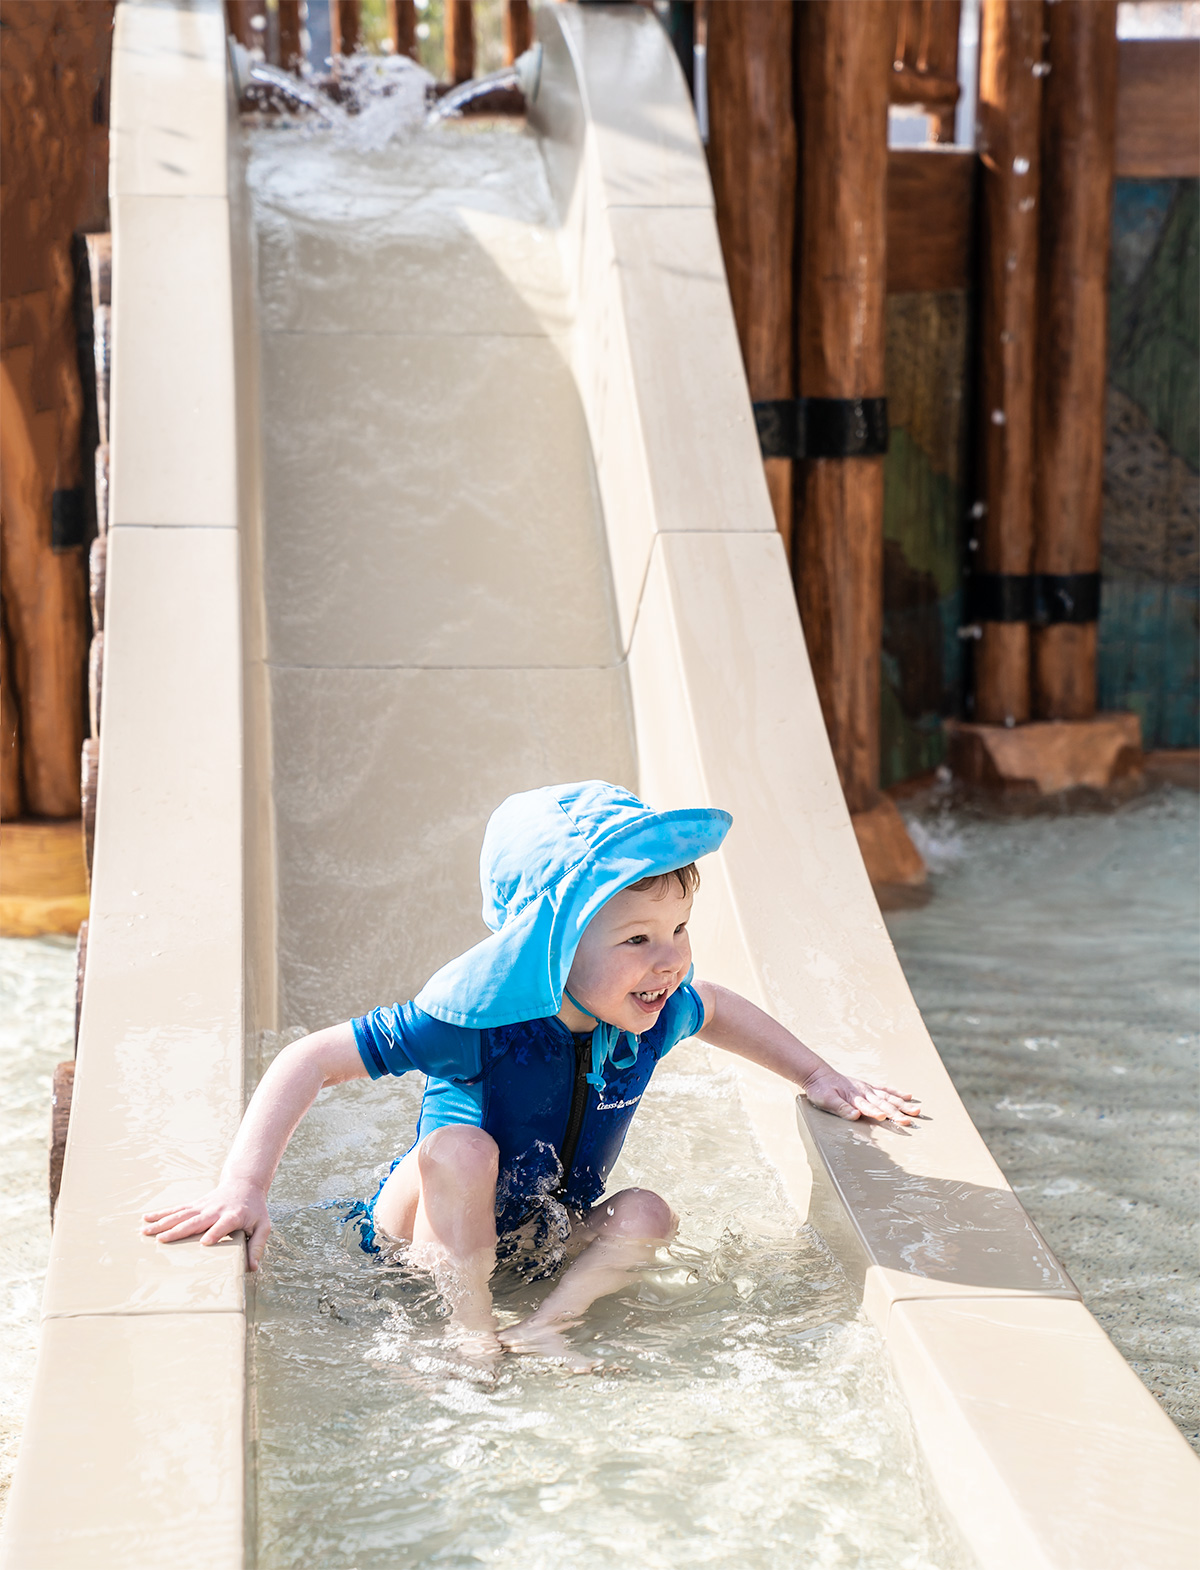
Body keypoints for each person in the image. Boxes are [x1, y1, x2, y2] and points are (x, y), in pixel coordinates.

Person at [143, 781, 917, 1368]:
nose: (671, 958)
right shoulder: (468, 1028)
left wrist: (818, 1074)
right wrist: (242, 1188)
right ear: (551, 948)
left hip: (540, 1239)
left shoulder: (649, 1012)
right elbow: (307, 1059)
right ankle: (468, 1336)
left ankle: (549, 1325)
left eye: (679, 929)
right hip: (415, 1238)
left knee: (647, 1213)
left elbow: (715, 1007)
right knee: (462, 1150)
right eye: (638, 938)